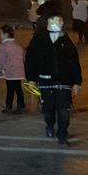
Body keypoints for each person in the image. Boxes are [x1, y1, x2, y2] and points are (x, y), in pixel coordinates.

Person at [25, 16, 82, 147]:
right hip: (46, 81)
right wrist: (32, 79)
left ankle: (62, 135)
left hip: (64, 82)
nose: (60, 23)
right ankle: (50, 124)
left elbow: (74, 62)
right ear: (49, 23)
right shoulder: (39, 39)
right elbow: (31, 60)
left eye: (61, 20)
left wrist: (77, 82)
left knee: (64, 111)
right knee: (48, 109)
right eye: (57, 20)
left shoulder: (66, 40)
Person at [0, 24, 26, 114]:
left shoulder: (3, 47)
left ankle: (9, 106)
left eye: (1, 34)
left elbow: (0, 60)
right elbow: (22, 58)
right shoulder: (17, 46)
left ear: (5, 35)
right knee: (18, 88)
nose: (0, 36)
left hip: (10, 73)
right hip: (19, 72)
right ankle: (21, 104)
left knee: (10, 89)